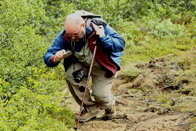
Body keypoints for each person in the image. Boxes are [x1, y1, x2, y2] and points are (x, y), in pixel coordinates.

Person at [44, 10, 125, 122]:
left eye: (75, 35)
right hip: (82, 64)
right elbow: (49, 54)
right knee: (71, 75)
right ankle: (90, 109)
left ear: (82, 26)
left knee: (100, 94)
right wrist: (54, 58)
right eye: (69, 35)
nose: (72, 38)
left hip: (104, 65)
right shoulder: (65, 35)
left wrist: (103, 37)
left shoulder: (99, 26)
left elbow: (120, 44)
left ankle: (109, 107)